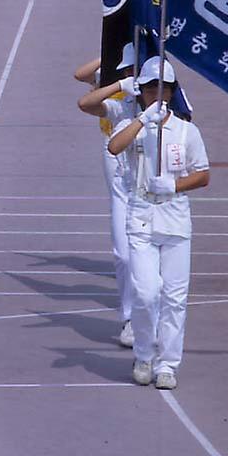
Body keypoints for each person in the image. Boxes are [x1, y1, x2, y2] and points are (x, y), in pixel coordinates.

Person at [108, 58, 210, 389]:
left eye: (163, 89)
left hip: (176, 218)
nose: (157, 95)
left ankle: (167, 363)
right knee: (146, 292)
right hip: (141, 217)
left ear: (172, 91)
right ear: (142, 93)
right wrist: (142, 120)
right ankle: (143, 354)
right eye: (151, 89)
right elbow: (114, 146)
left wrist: (175, 185)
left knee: (175, 297)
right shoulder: (134, 124)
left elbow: (203, 174)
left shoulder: (186, 130)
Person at [75, 46, 139, 348]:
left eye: (133, 69)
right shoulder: (116, 92)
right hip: (116, 153)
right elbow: (83, 87)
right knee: (123, 252)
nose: (130, 74)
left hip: (151, 178)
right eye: (126, 69)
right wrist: (111, 48)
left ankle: (151, 318)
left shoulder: (162, 93)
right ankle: (129, 319)